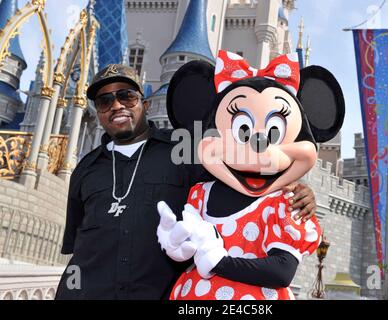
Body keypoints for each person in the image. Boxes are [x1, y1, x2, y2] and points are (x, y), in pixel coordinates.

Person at [55, 64, 319, 300]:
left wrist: (295, 188)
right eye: (104, 101)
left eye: (126, 96)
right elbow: (76, 247)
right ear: (98, 112)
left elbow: (243, 176)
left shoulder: (184, 151)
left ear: (144, 103)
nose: (116, 106)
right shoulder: (85, 169)